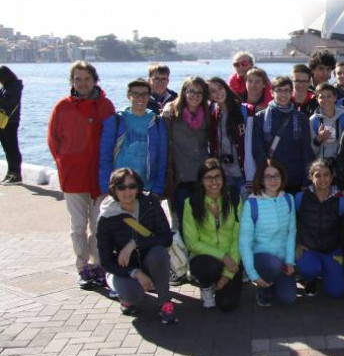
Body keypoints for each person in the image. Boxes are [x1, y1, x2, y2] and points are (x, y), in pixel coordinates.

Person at [47, 61, 115, 289]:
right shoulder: (62, 107)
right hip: (73, 177)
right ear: (72, 82)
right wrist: (64, 164)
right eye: (77, 79)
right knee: (78, 226)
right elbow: (53, 140)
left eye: (86, 78)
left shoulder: (106, 106)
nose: (82, 83)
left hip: (100, 176)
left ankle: (98, 265)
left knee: (98, 225)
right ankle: (82, 266)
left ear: (95, 80)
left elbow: (114, 139)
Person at [96, 168, 176, 323]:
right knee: (133, 296)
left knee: (159, 253)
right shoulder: (107, 217)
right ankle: (126, 299)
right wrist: (135, 272)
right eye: (121, 187)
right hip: (123, 269)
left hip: (148, 259)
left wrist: (135, 243)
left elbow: (167, 238)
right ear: (114, 190)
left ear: (138, 187)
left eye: (132, 186)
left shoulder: (150, 202)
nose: (127, 192)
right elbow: (106, 261)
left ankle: (165, 302)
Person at [183, 159, 242, 312]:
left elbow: (239, 236)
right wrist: (223, 256)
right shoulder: (191, 203)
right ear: (201, 181)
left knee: (227, 304)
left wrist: (227, 275)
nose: (214, 182)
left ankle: (221, 284)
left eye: (218, 176)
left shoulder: (234, 200)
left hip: (232, 258)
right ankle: (206, 286)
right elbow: (192, 243)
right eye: (208, 178)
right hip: (205, 258)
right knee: (206, 267)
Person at [239, 158, 297, 307]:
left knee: (289, 299)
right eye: (268, 176)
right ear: (261, 180)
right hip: (262, 260)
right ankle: (262, 289)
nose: (273, 180)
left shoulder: (289, 200)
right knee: (273, 265)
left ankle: (273, 282)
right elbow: (244, 242)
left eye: (276, 175)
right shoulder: (251, 204)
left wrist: (290, 261)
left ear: (282, 177)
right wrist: (252, 275)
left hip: (282, 261)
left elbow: (291, 233)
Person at [99, 79, 167, 196]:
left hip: (147, 188)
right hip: (120, 186)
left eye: (144, 94)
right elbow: (105, 156)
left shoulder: (156, 122)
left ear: (149, 96)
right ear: (128, 95)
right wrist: (106, 188)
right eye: (135, 94)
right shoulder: (116, 120)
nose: (140, 98)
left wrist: (158, 189)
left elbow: (162, 158)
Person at [294, 160, 344, 299]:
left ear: (332, 177)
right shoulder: (300, 198)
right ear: (311, 178)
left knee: (337, 291)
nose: (322, 179)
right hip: (308, 247)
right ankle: (311, 278)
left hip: (331, 250)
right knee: (309, 269)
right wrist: (297, 243)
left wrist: (341, 251)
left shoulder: (341, 202)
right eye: (318, 175)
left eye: (326, 175)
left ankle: (327, 270)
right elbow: (292, 223)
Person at [162, 77, 211, 235]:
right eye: (191, 91)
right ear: (183, 92)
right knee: (183, 221)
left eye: (199, 92)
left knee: (202, 220)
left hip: (202, 176)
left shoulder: (209, 114)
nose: (195, 96)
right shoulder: (172, 114)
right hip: (180, 177)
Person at [253, 76, 313, 193]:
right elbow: (258, 149)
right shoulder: (260, 118)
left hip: (295, 177)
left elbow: (306, 150)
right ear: (271, 92)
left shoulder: (301, 118)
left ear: (292, 93)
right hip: (271, 179)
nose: (283, 95)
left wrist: (306, 181)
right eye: (279, 91)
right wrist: (265, 174)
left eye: (286, 91)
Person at [207, 76, 256, 203]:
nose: (218, 93)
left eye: (220, 88)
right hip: (224, 174)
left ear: (226, 88)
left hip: (244, 174)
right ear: (209, 96)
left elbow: (255, 143)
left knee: (245, 215)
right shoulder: (212, 114)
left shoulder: (246, 111)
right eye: (213, 91)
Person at [310, 83, 344, 167]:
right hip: (321, 167)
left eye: (329, 96)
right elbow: (311, 151)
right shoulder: (313, 121)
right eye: (321, 97)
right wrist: (318, 139)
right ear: (317, 99)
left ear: (335, 98)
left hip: (341, 166)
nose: (325, 100)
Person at [0, 65, 23, 184]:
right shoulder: (6, 87)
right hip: (3, 122)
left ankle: (16, 174)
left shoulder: (15, 87)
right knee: (7, 148)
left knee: (12, 148)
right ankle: (10, 173)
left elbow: (7, 102)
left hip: (11, 122)